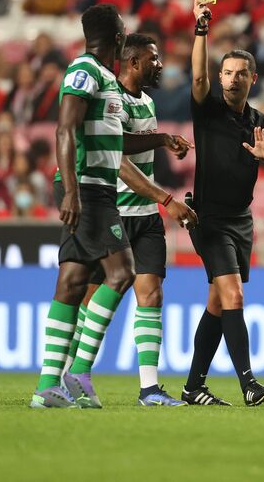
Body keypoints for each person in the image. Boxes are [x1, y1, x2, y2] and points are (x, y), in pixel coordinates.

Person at [30, 5, 190, 409]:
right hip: (88, 188)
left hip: (93, 188)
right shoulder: (84, 72)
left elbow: (115, 141)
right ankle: (79, 369)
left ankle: (48, 385)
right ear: (117, 36)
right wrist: (70, 190)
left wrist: (159, 139)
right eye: (123, 28)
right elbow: (65, 128)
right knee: (121, 273)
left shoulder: (103, 78)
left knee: (72, 282)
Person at [67, 34, 197, 407]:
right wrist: (166, 199)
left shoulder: (148, 102)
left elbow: (139, 145)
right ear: (134, 62)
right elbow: (118, 158)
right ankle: (72, 375)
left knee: (151, 294)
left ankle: (150, 389)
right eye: (154, 59)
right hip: (115, 213)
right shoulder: (114, 101)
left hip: (145, 218)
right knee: (91, 299)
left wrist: (163, 140)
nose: (160, 64)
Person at [183, 0, 264, 407]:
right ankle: (248, 383)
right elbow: (197, 76)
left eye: (239, 74)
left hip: (240, 220)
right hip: (208, 218)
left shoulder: (262, 123)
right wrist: (201, 29)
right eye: (226, 73)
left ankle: (194, 386)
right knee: (233, 297)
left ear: (253, 78)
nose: (231, 79)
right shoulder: (208, 111)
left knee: (217, 301)